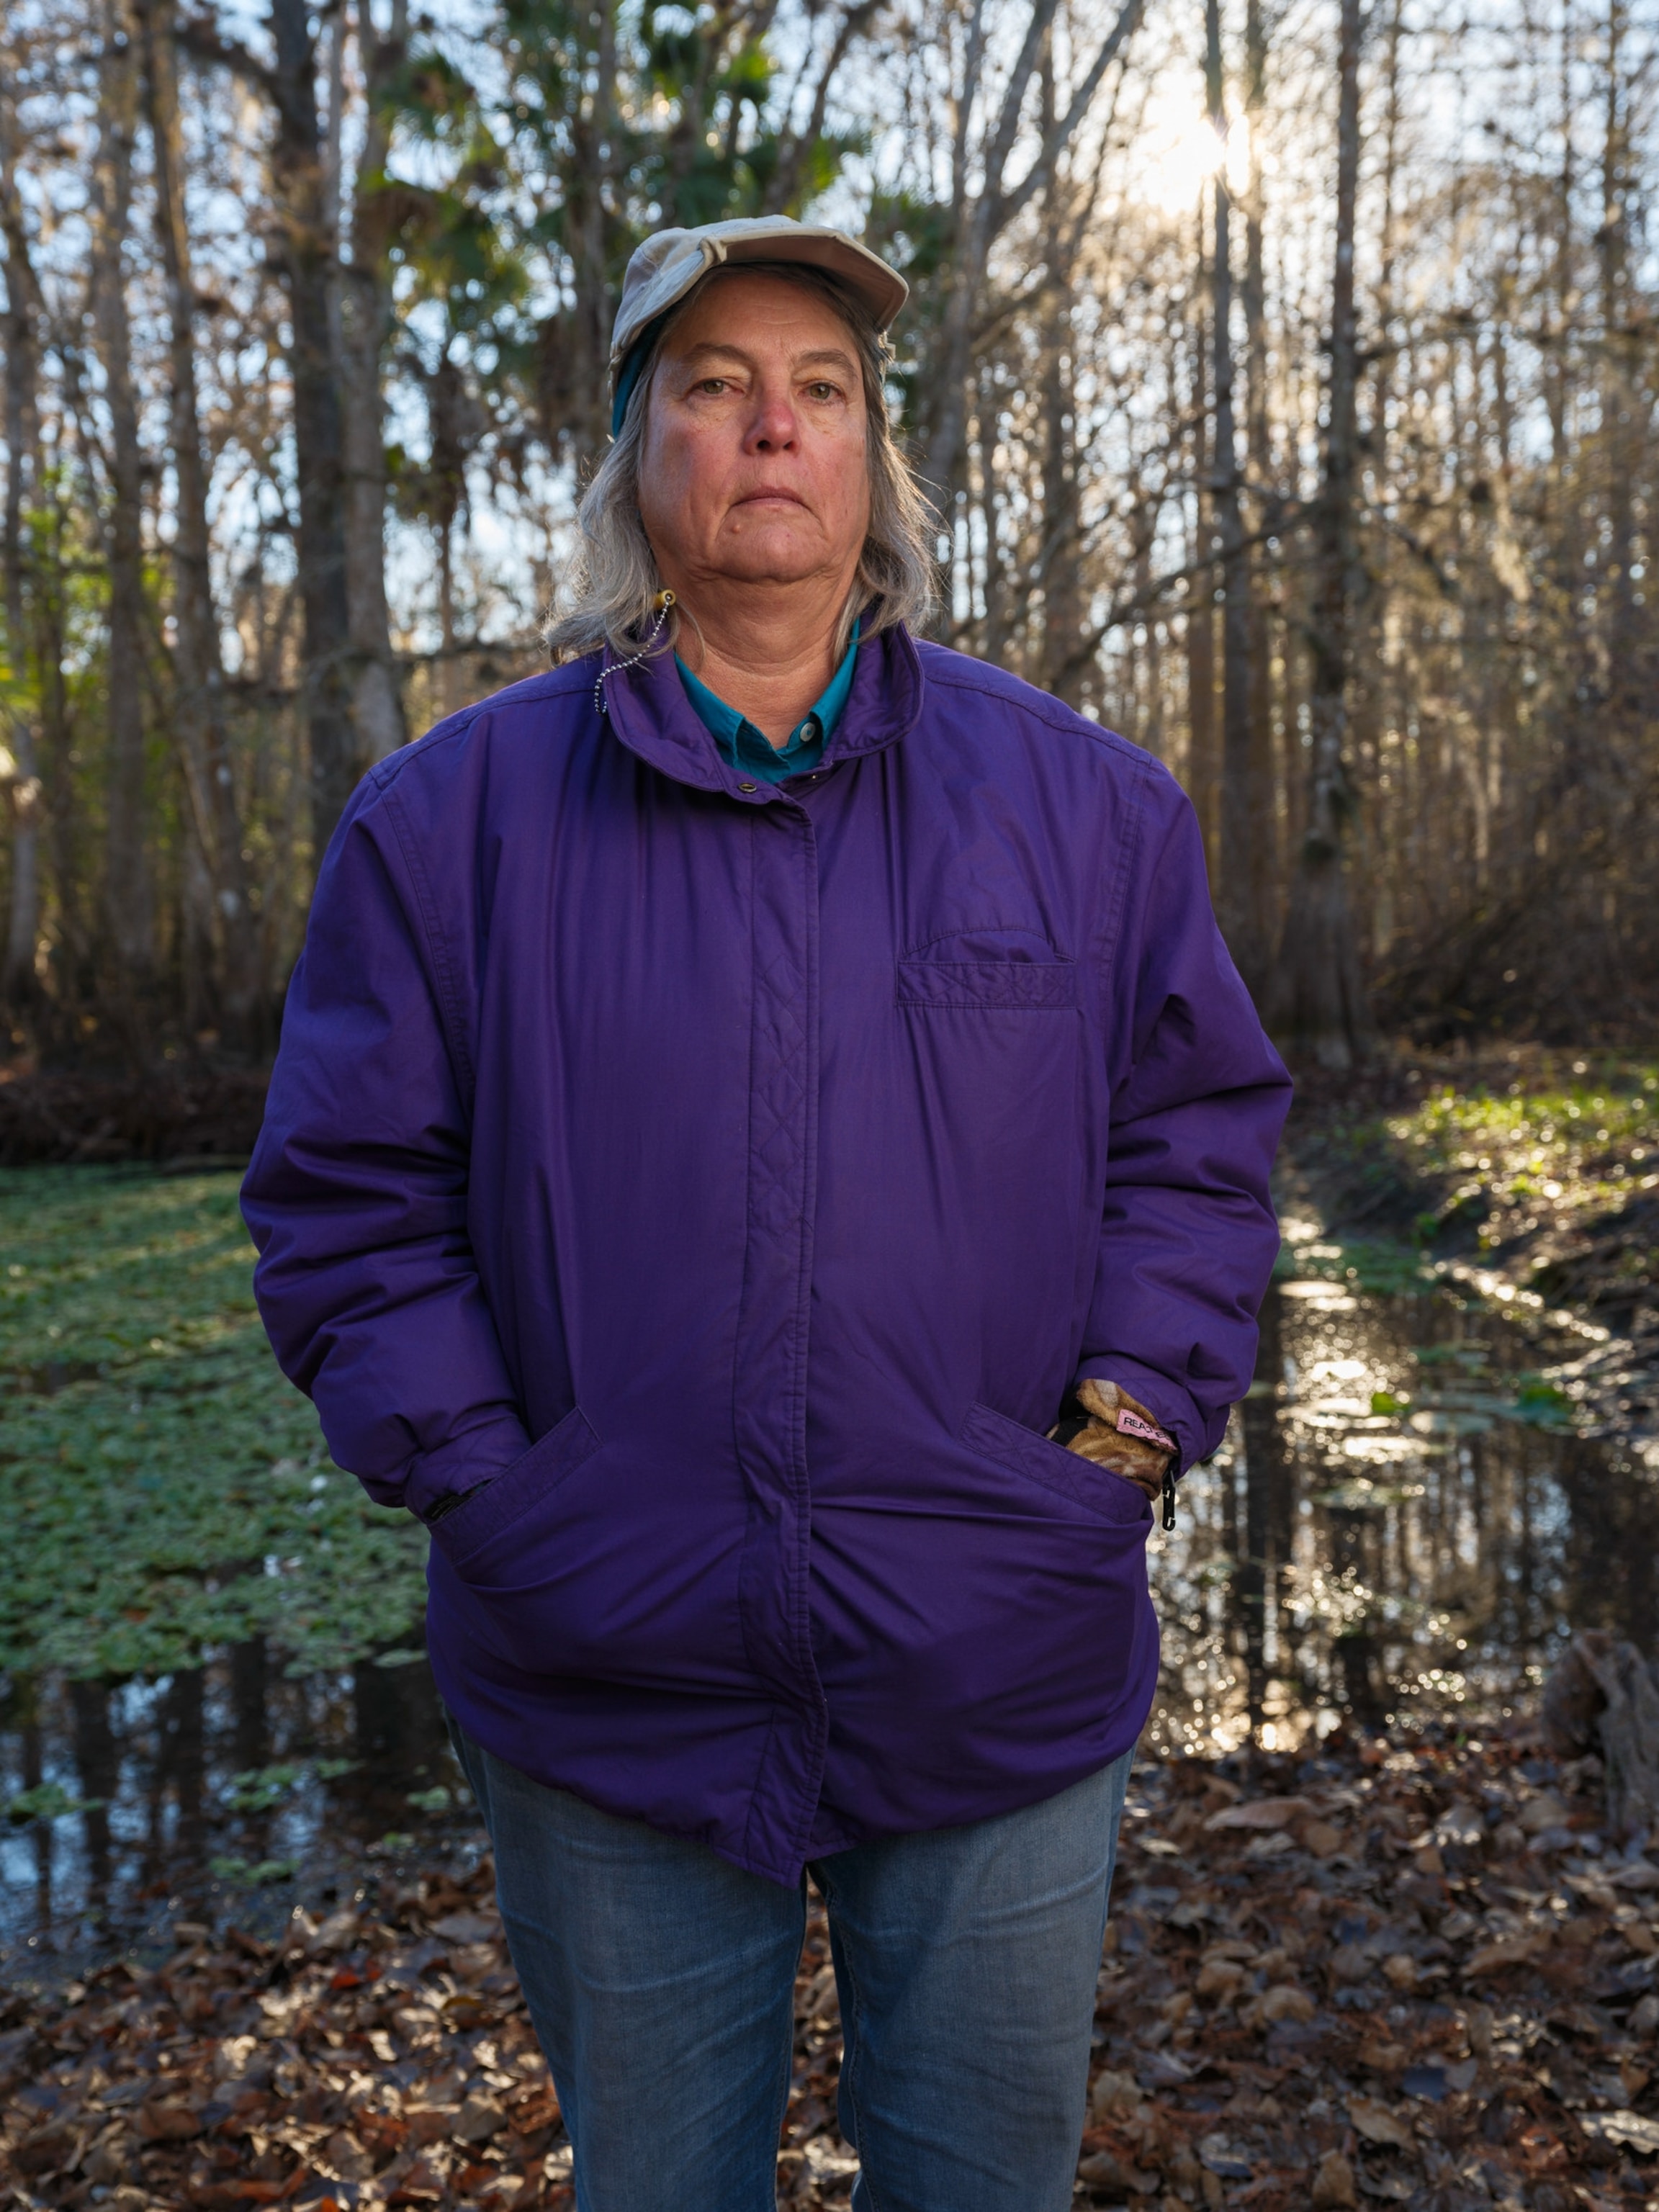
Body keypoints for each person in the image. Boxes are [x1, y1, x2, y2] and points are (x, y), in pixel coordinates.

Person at [243, 215, 1291, 2212]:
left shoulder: (1081, 808)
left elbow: (1201, 1142)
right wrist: (494, 1492)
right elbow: (349, 1205)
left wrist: (1122, 1439)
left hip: (996, 1641)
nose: (770, 431)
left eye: (821, 390)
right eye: (712, 386)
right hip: (601, 1662)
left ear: (875, 460)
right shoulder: (448, 826)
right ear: (638, 453)